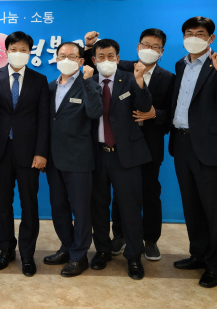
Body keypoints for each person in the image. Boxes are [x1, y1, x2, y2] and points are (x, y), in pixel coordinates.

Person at [84, 29, 175, 261]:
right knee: (116, 198)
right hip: (110, 148)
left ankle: (149, 241)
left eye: (155, 47)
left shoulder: (167, 77)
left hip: (148, 143)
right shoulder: (122, 67)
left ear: (162, 51)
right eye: (146, 45)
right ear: (137, 46)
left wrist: (154, 114)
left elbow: (171, 111)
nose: (149, 49)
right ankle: (119, 236)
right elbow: (94, 62)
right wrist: (87, 47)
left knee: (147, 194)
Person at [170, 16, 217, 288]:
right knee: (192, 206)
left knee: (215, 210)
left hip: (211, 148)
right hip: (182, 143)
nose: (193, 38)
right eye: (188, 33)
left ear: (210, 38)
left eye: (199, 33)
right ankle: (198, 255)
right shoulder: (180, 65)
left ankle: (216, 266)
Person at [0, 31, 50, 277]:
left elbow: (44, 119)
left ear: (30, 52)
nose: (18, 53)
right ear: (6, 51)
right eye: (14, 49)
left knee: (29, 204)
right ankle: (6, 250)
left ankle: (27, 254)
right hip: (1, 150)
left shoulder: (39, 79)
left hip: (29, 152)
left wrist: (41, 152)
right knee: (3, 203)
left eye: (23, 49)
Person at [89, 38, 152, 280]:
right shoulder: (88, 82)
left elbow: (144, 107)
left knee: (130, 208)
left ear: (118, 58)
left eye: (110, 56)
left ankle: (134, 256)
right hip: (96, 155)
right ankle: (102, 251)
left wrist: (140, 81)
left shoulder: (130, 78)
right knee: (98, 207)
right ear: (94, 60)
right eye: (101, 57)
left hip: (126, 156)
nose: (106, 60)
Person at [43, 42, 102, 277]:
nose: (66, 59)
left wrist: (88, 81)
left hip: (79, 158)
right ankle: (66, 247)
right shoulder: (50, 87)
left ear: (81, 61)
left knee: (81, 210)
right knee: (58, 208)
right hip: (54, 159)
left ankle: (79, 255)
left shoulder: (88, 83)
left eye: (71, 56)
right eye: (62, 55)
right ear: (56, 59)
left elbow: (94, 112)